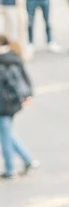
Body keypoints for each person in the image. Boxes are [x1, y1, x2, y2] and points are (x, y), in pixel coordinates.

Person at [0, 34, 36, 179]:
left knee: (5, 138)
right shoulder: (14, 57)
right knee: (6, 133)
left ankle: (10, 169)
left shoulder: (2, 63)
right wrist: (28, 95)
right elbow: (26, 78)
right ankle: (28, 160)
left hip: (3, 105)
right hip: (13, 104)